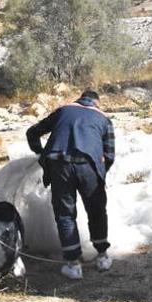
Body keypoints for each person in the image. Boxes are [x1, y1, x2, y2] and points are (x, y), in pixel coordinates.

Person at [26, 90, 115, 280]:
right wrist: (100, 173)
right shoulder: (104, 119)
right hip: (89, 166)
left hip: (59, 165)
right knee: (97, 210)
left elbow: (32, 132)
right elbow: (109, 155)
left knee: (65, 214)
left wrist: (39, 153)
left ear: (79, 99)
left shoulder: (63, 110)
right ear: (96, 103)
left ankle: (73, 264)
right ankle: (102, 257)